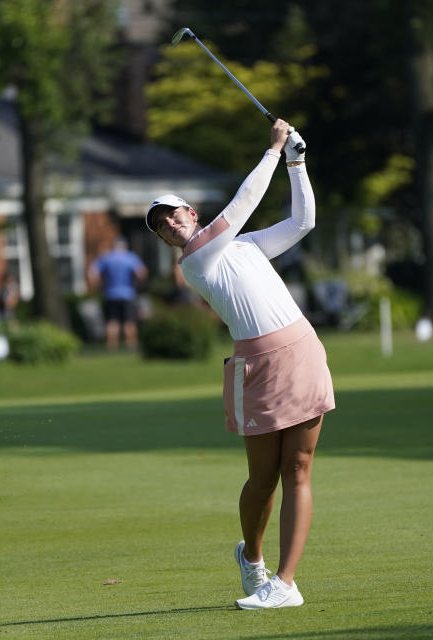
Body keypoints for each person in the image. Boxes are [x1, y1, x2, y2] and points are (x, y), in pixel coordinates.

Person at [145, 119, 334, 610]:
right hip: (257, 367)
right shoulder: (196, 262)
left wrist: (297, 163)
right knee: (263, 477)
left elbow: (302, 223)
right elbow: (241, 206)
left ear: (189, 211)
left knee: (299, 468)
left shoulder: (246, 247)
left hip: (302, 352)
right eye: (160, 225)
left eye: (171, 214)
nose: (168, 223)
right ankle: (252, 558)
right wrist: (273, 150)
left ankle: (286, 583)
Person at [87, 237, 148, 350]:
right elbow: (141, 273)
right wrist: (138, 285)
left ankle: (111, 347)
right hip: (128, 294)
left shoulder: (106, 258)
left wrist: (98, 286)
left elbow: (92, 272)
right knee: (129, 321)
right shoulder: (130, 257)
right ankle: (131, 345)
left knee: (112, 321)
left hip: (110, 294)